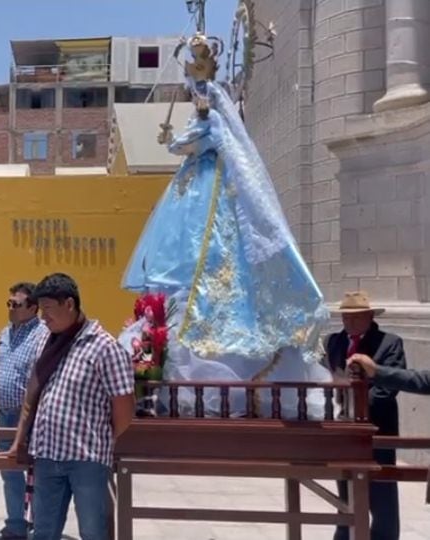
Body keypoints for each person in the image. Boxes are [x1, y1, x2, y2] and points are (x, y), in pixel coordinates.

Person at [120, 33, 332, 418]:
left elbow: (189, 141)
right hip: (195, 194)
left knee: (218, 264)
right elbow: (185, 143)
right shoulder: (208, 121)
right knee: (190, 267)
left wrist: (184, 132)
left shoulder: (210, 119)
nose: (192, 95)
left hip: (211, 194)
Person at [3, 273, 134, 540]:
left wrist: (99, 439)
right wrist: (19, 440)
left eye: (49, 309)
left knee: (93, 531)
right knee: (44, 532)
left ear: (70, 305)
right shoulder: (45, 340)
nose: (43, 317)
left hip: (87, 460)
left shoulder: (104, 347)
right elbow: (32, 393)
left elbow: (124, 409)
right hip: (48, 456)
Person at [326, 291, 404, 540]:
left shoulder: (389, 343)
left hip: (377, 428)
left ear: (369, 316)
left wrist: (355, 401)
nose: (348, 322)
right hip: (342, 430)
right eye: (345, 317)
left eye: (355, 317)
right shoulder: (333, 342)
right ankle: (344, 534)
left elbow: (388, 387)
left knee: (382, 494)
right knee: (345, 491)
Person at [0, 282, 47, 540]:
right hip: (5, 414)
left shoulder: (43, 335)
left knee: (38, 474)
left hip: (31, 417)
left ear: (33, 308)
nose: (10, 308)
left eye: (17, 304)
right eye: (8, 303)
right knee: (10, 472)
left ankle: (39, 526)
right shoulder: (5, 332)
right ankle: (15, 526)